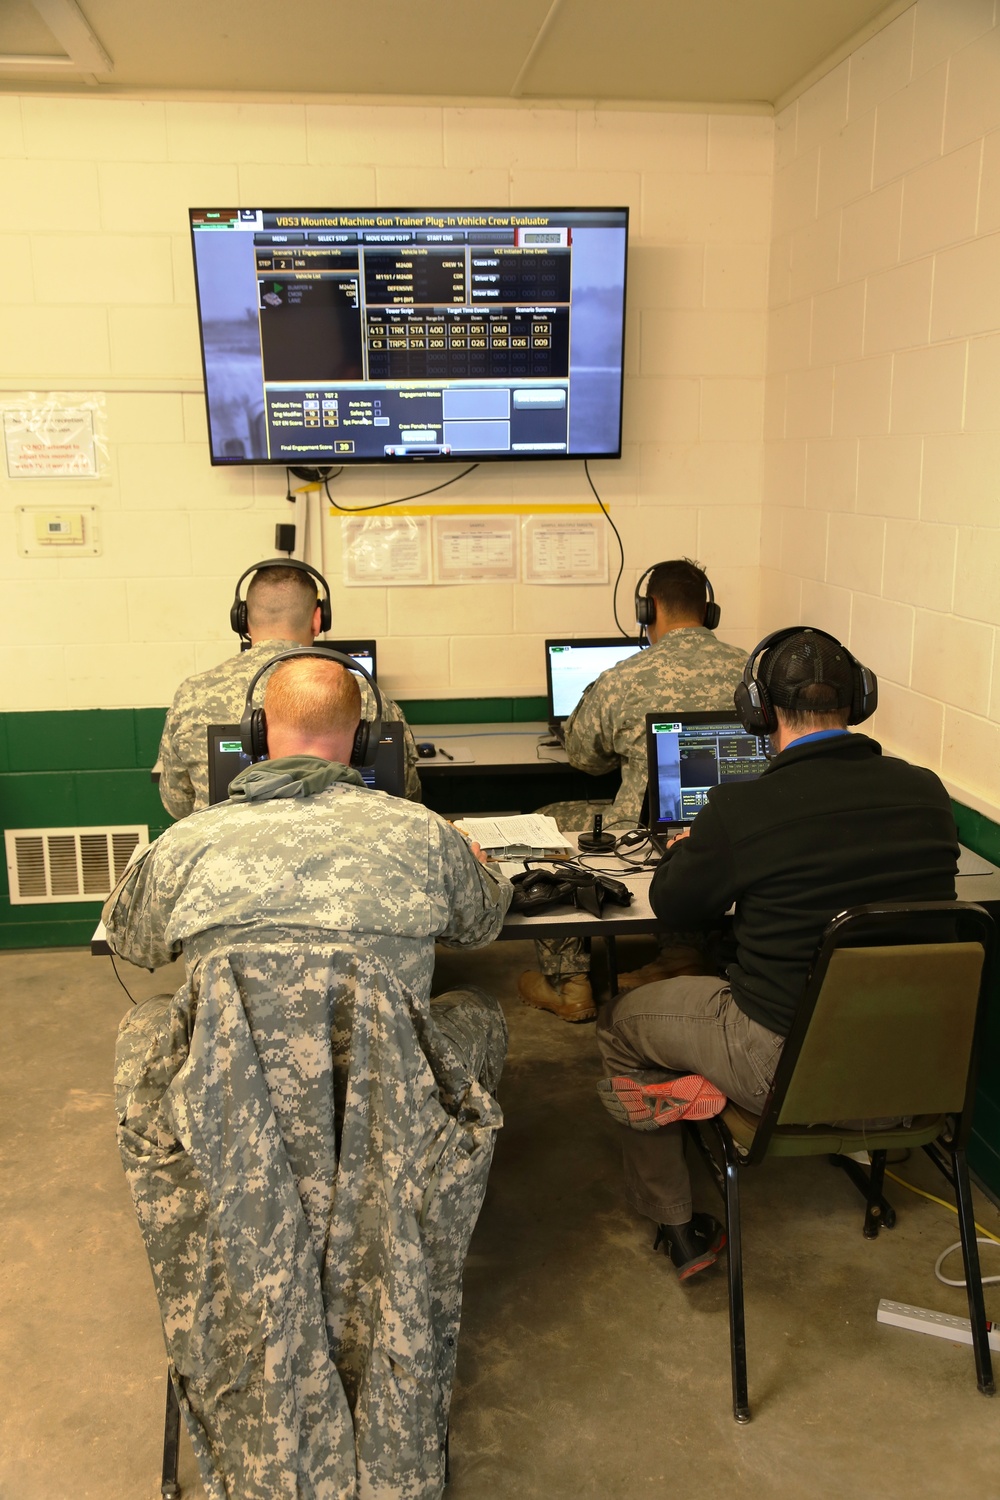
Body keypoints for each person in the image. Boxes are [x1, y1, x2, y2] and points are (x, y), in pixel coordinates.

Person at [107, 654, 512, 1500]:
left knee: (146, 1029)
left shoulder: (187, 843)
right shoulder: (420, 834)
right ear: (364, 739)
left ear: (256, 737)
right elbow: (482, 923)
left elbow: (132, 944)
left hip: (235, 1119)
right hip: (391, 1118)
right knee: (480, 1012)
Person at [595, 627, 959, 1280]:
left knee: (621, 1021)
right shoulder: (929, 794)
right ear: (862, 700)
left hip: (779, 1073)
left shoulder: (743, 807)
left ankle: (676, 1224)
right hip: (914, 1073)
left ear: (758, 710)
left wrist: (690, 853)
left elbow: (675, 908)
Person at [518, 559, 746, 1023]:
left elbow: (584, 756)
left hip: (642, 833)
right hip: (738, 830)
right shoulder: (754, 670)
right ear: (710, 611)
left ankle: (570, 981)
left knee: (544, 827)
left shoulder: (624, 676)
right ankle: (685, 951)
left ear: (650, 609)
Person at [157, 557, 423, 817]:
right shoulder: (365, 694)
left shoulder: (194, 694)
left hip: (221, 853)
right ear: (319, 619)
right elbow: (406, 794)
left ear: (243, 620)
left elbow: (178, 804)